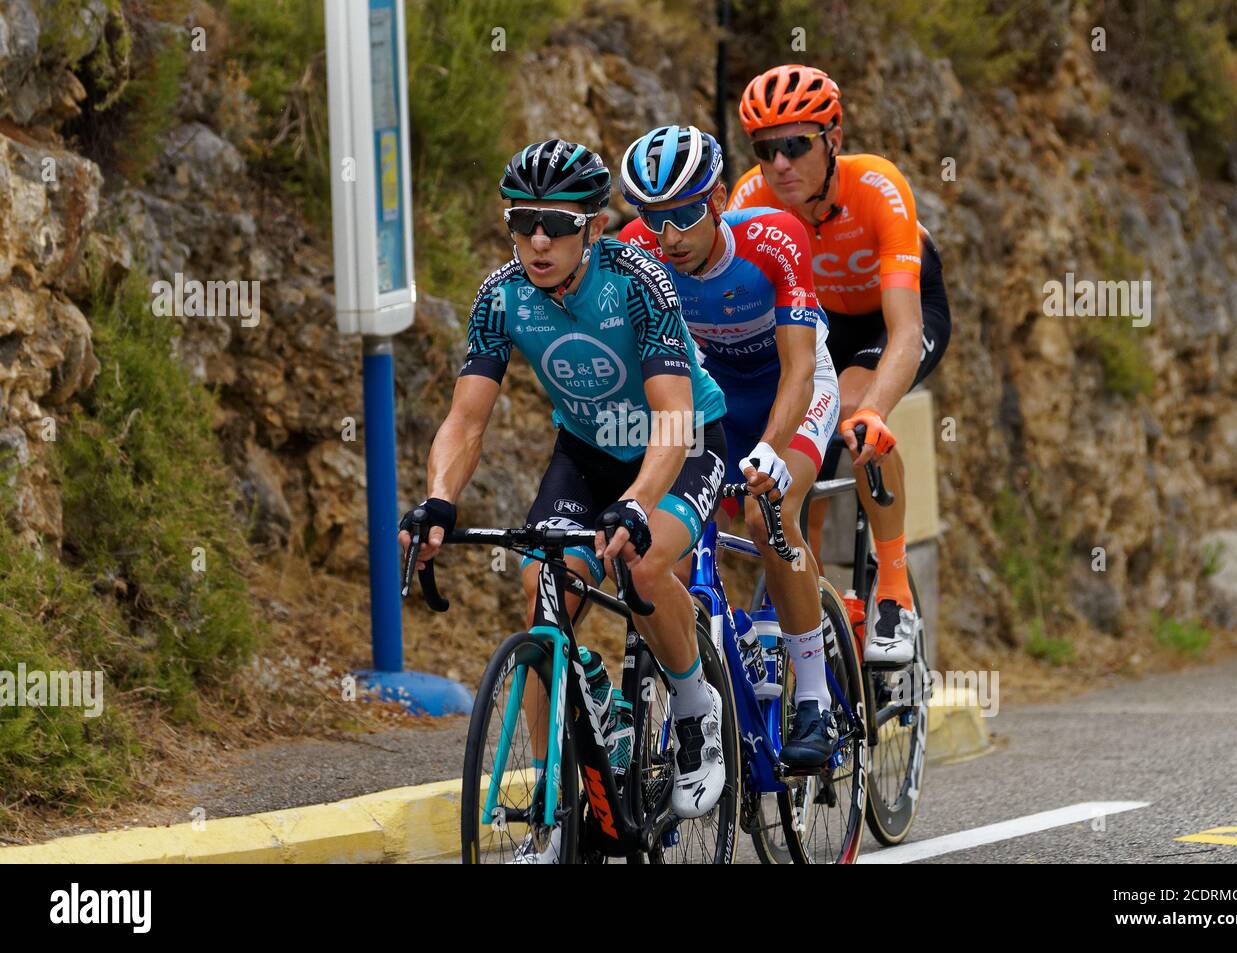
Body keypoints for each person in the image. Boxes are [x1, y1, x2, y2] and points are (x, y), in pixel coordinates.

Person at [399, 139, 731, 861]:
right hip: (584, 453)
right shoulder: (501, 295)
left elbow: (673, 414)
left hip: (681, 443)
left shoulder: (638, 280)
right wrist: (437, 500)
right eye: (522, 223)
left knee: (644, 569)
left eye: (556, 223)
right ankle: (560, 802)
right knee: (542, 589)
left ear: (596, 227)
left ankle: (696, 710)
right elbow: (466, 418)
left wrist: (642, 500)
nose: (538, 240)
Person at [619, 123, 840, 766]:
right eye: (652, 218)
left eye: (685, 214)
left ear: (718, 199)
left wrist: (773, 448)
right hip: (712, 402)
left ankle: (816, 703)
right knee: (658, 551)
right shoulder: (636, 251)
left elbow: (799, 369)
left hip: (790, 390)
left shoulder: (774, 239)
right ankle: (695, 699)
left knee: (768, 514)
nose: (669, 237)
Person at [727, 64, 953, 667]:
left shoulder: (877, 187)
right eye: (766, 149)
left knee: (852, 410)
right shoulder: (750, 200)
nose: (780, 164)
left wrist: (876, 409)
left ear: (834, 140)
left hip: (894, 316)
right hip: (821, 325)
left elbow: (906, 328)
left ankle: (896, 597)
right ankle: (816, 605)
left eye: (796, 144)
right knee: (800, 448)